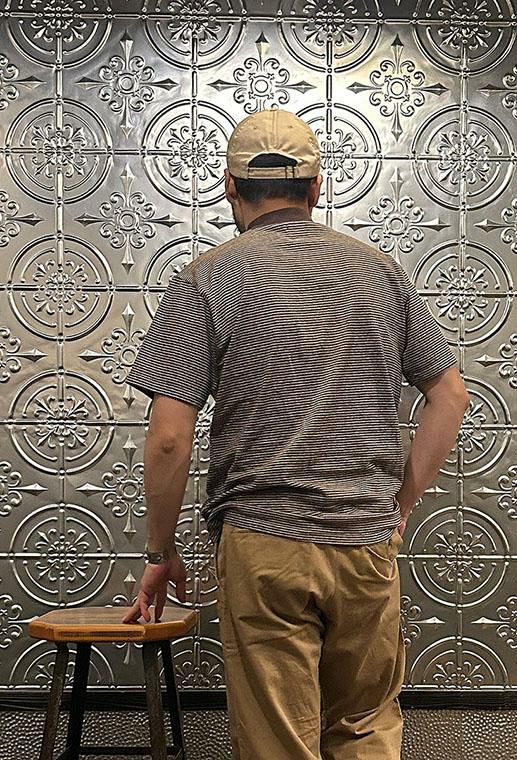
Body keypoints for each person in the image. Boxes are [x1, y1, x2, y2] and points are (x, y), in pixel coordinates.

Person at [122, 108, 469, 759]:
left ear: (230, 186)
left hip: (263, 540)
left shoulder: (207, 277)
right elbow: (450, 397)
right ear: (316, 186)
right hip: (364, 541)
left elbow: (169, 438)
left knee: (278, 742)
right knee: (364, 726)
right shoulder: (381, 272)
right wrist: (398, 506)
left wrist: (160, 552)